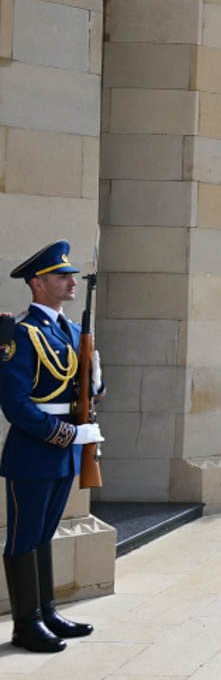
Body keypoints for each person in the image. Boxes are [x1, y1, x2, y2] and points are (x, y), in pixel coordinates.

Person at [0, 240, 103, 652]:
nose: (71, 281)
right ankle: (25, 625)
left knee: (46, 533)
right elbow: (15, 404)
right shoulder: (20, 334)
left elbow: (86, 389)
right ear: (37, 284)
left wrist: (97, 381)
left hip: (67, 448)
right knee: (24, 536)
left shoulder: (74, 331)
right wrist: (66, 434)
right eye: (62, 276)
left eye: (72, 275)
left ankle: (46, 611)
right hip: (35, 448)